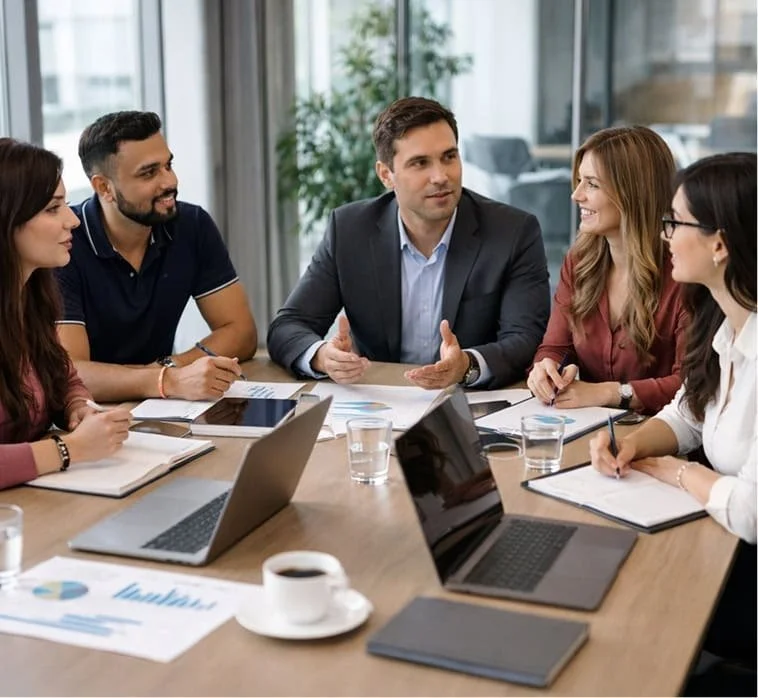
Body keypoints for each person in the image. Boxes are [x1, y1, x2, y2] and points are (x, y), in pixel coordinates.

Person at [590, 152, 756, 674]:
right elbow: (688, 415)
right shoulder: (724, 325)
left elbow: (750, 514)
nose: (665, 236)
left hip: (746, 574)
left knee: (627, 603)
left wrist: (683, 473)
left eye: (675, 223)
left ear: (720, 243)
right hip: (726, 550)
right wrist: (636, 443)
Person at [267, 97, 550, 390]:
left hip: (470, 404)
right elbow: (287, 327)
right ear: (386, 174)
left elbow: (527, 338)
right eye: (420, 163)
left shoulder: (513, 232)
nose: (441, 176)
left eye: (449, 157)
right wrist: (323, 357)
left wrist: (467, 365)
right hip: (381, 405)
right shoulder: (350, 230)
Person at [55, 111, 258, 403]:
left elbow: (241, 333)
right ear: (104, 187)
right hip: (88, 417)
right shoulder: (65, 242)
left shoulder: (192, 225)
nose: (169, 182)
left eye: (168, 165)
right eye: (149, 173)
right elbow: (70, 375)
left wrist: (168, 369)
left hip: (161, 406)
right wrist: (167, 380)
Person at [527, 125, 687, 414]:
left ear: (633, 192)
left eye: (592, 184)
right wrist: (545, 369)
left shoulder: (684, 271)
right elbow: (555, 346)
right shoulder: (579, 261)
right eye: (578, 181)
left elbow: (690, 385)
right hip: (587, 427)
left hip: (663, 437)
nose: (576, 195)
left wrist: (610, 393)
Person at [0, 138, 131, 491]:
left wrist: (78, 407)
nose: (72, 220)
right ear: (7, 219)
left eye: (67, 205)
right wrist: (69, 448)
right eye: (53, 208)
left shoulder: (31, 297)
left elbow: (64, 377)